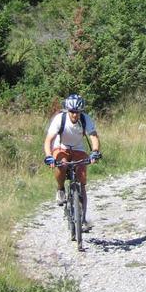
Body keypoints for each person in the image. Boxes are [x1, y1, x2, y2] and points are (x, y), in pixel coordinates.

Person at [43, 94, 101, 229]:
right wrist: (48, 155)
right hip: (61, 147)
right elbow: (48, 140)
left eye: (78, 112)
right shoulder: (60, 119)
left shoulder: (86, 119)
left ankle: (83, 219)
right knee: (61, 164)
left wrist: (95, 152)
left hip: (78, 149)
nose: (75, 115)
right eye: (72, 112)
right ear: (67, 110)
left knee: (82, 179)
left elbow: (94, 137)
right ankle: (60, 189)